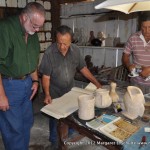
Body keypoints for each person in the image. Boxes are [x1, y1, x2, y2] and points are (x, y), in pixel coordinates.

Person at [39, 25, 101, 148]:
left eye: (65, 44)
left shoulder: (76, 51)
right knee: (55, 119)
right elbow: (45, 77)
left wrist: (96, 83)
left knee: (70, 117)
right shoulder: (49, 53)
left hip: (70, 91)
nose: (62, 47)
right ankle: (55, 141)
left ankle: (69, 137)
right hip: (54, 92)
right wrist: (47, 94)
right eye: (59, 43)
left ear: (71, 40)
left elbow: (83, 68)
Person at [0, 2, 45, 150]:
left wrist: (35, 80)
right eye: (35, 25)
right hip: (9, 85)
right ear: (25, 17)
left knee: (27, 123)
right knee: (14, 129)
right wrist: (1, 95)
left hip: (27, 84)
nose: (37, 30)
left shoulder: (31, 32)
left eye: (40, 26)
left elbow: (32, 61)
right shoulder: (5, 28)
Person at [122, 12, 150, 94]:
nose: (146, 31)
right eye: (144, 27)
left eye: (149, 27)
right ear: (140, 25)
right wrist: (128, 66)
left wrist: (149, 69)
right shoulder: (133, 38)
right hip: (136, 83)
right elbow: (125, 56)